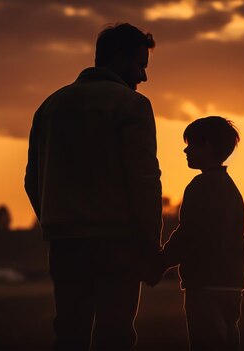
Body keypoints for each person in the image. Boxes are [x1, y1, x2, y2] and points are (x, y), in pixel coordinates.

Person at [24, 23, 162, 350]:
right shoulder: (132, 105)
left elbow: (32, 180)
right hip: (118, 242)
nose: (143, 76)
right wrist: (150, 246)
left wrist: (56, 222)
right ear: (118, 58)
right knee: (115, 336)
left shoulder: (50, 106)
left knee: (70, 334)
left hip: (65, 244)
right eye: (140, 64)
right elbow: (144, 180)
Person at [161, 116, 244, 351]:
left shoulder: (200, 186)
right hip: (231, 285)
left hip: (205, 284)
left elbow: (187, 234)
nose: (185, 150)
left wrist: (158, 264)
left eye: (191, 144)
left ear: (207, 146)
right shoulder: (231, 189)